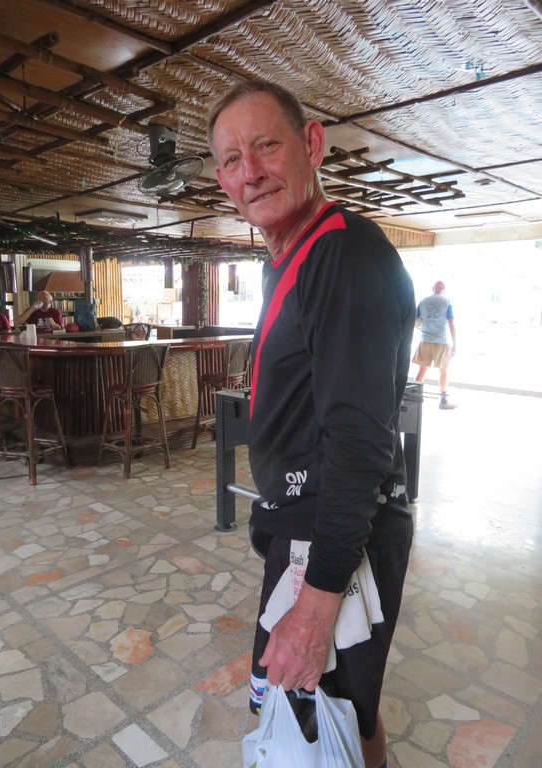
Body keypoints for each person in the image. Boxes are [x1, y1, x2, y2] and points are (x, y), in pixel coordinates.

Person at [209, 80, 415, 768]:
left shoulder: (344, 255)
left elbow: (357, 444)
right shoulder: (296, 256)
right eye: (232, 159)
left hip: (331, 540)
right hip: (307, 528)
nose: (251, 171)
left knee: (312, 724)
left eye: (266, 145)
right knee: (344, 715)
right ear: (222, 180)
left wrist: (316, 603)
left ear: (311, 144)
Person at [412, 280, 457, 409]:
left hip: (425, 340)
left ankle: (414, 398)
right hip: (442, 341)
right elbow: (451, 323)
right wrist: (455, 343)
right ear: (444, 290)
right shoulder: (447, 301)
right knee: (443, 371)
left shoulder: (423, 301)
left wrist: (424, 328)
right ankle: (444, 401)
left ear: (433, 288)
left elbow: (415, 321)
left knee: (422, 371)